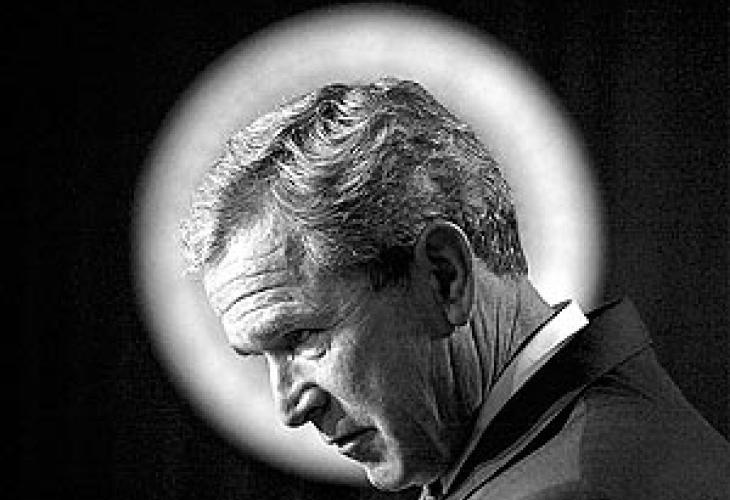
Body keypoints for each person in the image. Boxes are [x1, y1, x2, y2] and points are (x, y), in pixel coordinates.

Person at [179, 78, 729, 499]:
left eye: (300, 337)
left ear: (445, 277)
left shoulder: (569, 486)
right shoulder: (594, 436)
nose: (289, 409)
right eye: (261, 357)